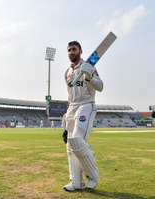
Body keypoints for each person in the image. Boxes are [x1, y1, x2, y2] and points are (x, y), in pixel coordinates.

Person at [63, 41, 103, 191]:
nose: (71, 52)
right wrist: (67, 114)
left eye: (74, 49)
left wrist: (89, 77)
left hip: (87, 105)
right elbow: (69, 95)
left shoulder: (89, 67)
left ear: (80, 51)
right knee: (70, 146)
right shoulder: (67, 71)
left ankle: (93, 174)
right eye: (69, 50)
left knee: (78, 140)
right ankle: (76, 182)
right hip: (72, 108)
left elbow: (100, 87)